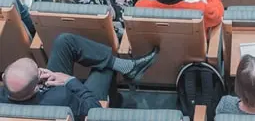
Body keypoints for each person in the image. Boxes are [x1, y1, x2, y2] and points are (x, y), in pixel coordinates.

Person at [0, 34, 158, 120]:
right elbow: (94, 109)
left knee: (64, 42)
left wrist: (45, 79)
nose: (42, 68)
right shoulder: (62, 96)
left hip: (41, 95)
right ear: (35, 87)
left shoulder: (5, 95)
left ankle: (126, 67)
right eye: (39, 70)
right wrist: (69, 81)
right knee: (103, 69)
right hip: (64, 103)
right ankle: (116, 99)